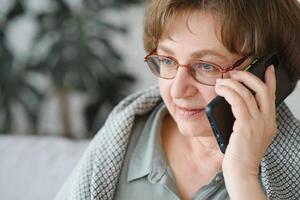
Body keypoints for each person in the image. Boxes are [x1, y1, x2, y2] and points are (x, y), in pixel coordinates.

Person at [55, 0, 300, 199]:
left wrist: (243, 176)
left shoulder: (290, 169)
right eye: (167, 60)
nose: (177, 90)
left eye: (206, 66)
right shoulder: (125, 134)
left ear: (267, 73)